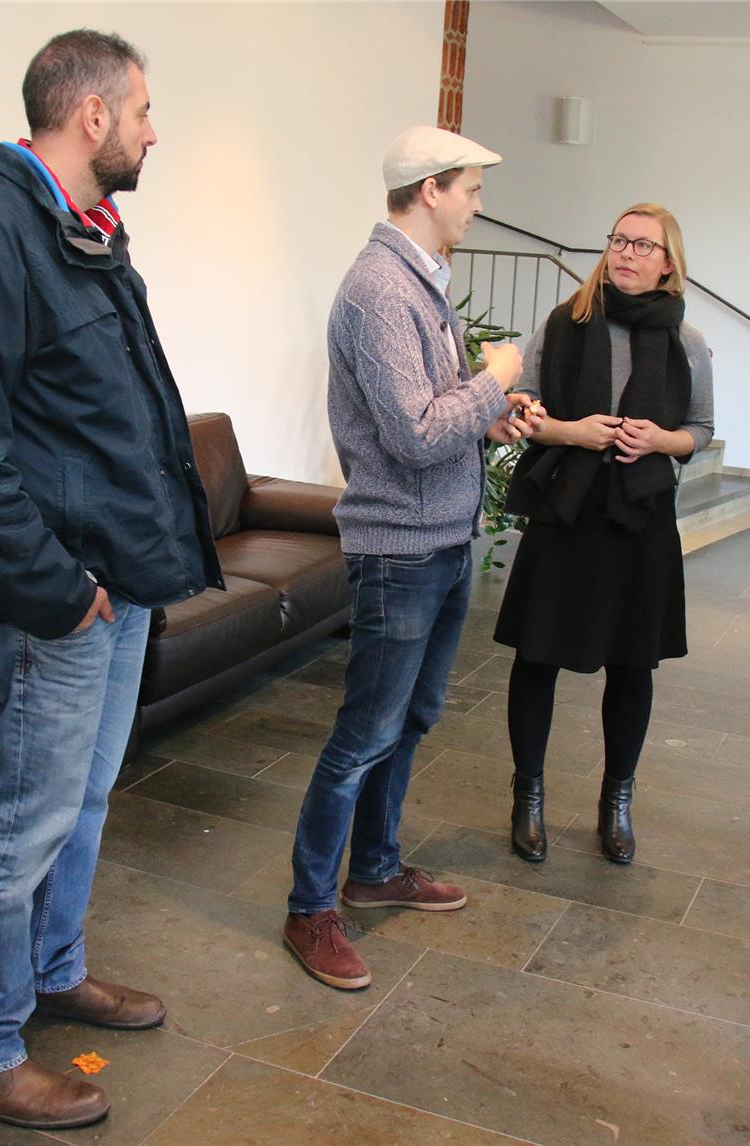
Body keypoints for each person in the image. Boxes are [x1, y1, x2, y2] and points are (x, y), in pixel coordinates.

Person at [0, 30, 220, 1130]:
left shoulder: (82, 231)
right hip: (46, 607)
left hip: (112, 588)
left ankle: (51, 971)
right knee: (18, 824)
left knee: (77, 808)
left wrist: (128, 575)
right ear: (91, 115)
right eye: (141, 110)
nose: (150, 129)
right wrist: (55, 589)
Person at [283, 125, 531, 991]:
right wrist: (494, 378)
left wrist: (492, 412)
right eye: (469, 188)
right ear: (429, 189)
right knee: (362, 736)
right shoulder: (381, 290)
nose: (477, 204)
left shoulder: (422, 284)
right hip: (399, 549)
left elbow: (435, 411)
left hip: (442, 540)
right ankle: (311, 907)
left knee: (411, 719)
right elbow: (418, 435)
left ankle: (377, 868)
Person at [493, 203, 715, 865]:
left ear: (668, 261)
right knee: (536, 656)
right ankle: (526, 796)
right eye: (619, 240)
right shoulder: (565, 323)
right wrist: (572, 431)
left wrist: (663, 440)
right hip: (567, 509)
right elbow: (522, 404)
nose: (626, 252)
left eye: (643, 245)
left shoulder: (688, 342)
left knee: (631, 662)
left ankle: (616, 803)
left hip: (640, 519)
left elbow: (700, 431)